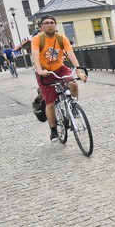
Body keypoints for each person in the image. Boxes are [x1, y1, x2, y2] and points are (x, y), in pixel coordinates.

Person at [31, 14, 88, 142]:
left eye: (52, 22)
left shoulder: (62, 39)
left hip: (59, 68)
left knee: (73, 84)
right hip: (44, 71)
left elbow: (71, 54)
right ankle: (53, 130)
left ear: (55, 25)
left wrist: (79, 71)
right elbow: (35, 56)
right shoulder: (37, 40)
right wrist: (40, 70)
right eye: (46, 23)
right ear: (41, 27)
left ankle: (73, 107)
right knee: (50, 102)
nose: (49, 25)